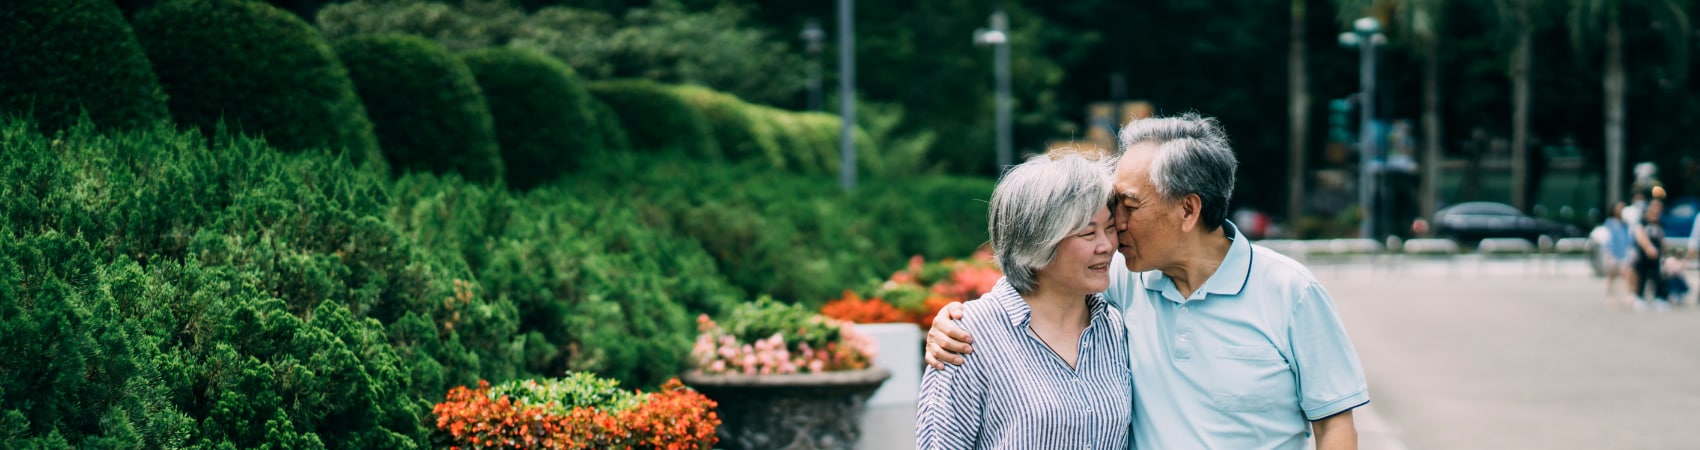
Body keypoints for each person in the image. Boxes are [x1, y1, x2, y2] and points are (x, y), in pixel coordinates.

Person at [926, 113, 1368, 450]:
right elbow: (1040, 275)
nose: (1113, 228)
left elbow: (1333, 423)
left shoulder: (1291, 291)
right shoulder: (1118, 281)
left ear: (1187, 211)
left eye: (1128, 207)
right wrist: (953, 321)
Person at [914, 153, 1131, 449]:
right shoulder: (967, 337)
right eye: (1088, 232)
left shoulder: (1116, 329)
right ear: (1038, 241)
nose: (1106, 246)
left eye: (1109, 228)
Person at [1631, 197, 1668, 310]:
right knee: (1642, 275)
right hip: (1644, 254)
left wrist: (1664, 251)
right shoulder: (1643, 221)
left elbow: (1661, 238)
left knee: (1657, 276)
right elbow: (1640, 235)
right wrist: (1648, 247)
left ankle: (1658, 297)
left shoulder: (1659, 223)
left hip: (1656, 255)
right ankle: (1639, 297)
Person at [1603, 202, 1635, 305]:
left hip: (1623, 252)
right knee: (1612, 275)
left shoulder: (1625, 223)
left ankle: (1628, 294)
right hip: (1612, 252)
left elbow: (1628, 238)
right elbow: (1607, 238)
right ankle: (1610, 295)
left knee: (1627, 274)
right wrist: (1608, 252)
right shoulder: (1609, 222)